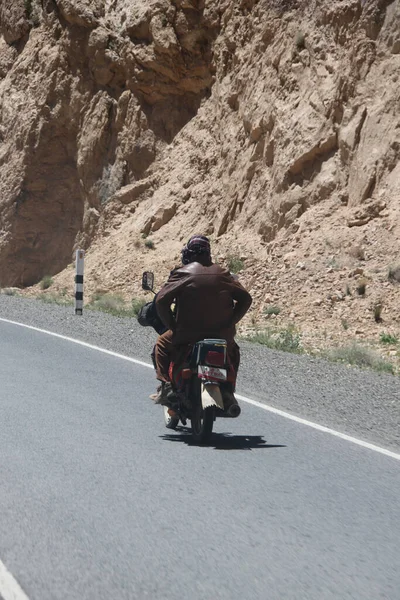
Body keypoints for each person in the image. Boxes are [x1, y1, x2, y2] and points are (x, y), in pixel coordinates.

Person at [151, 235, 252, 404]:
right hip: (221, 335)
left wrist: (173, 326)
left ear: (189, 254)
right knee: (233, 351)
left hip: (187, 334)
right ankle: (229, 390)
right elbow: (246, 299)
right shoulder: (223, 273)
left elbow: (161, 301)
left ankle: (167, 387)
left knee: (161, 344)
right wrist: (231, 322)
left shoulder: (183, 272)